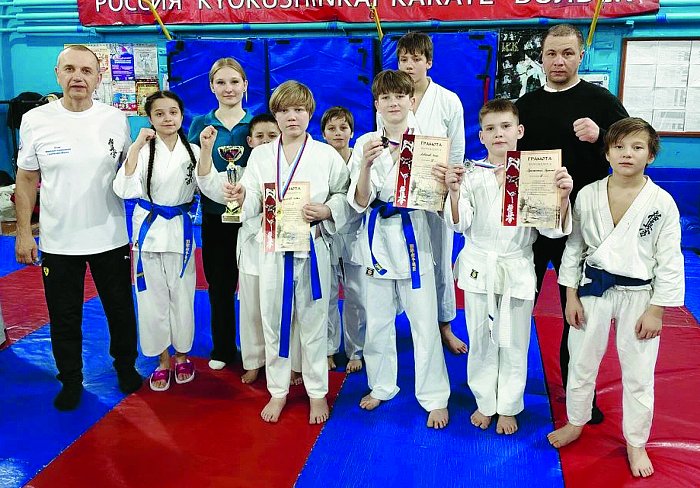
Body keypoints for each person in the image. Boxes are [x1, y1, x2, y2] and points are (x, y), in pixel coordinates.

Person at [547, 117, 684, 478]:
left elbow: (670, 260)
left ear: (650, 156)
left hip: (639, 295)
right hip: (592, 289)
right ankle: (576, 421)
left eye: (637, 147)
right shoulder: (588, 194)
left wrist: (657, 310)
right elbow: (574, 247)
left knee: (638, 373)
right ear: (606, 152)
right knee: (580, 362)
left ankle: (636, 442)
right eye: (619, 146)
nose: (627, 154)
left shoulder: (662, 202)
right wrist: (570, 294)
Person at [14, 45, 142, 410]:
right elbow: (26, 179)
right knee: (64, 316)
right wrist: (24, 232)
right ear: (57, 74)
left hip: (110, 235)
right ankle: (70, 379)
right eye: (70, 69)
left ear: (98, 78)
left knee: (120, 309)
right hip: (59, 240)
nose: (78, 77)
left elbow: (129, 171)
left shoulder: (115, 119)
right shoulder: (36, 120)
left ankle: (125, 367)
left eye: (86, 71)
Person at [515, 24, 629, 423]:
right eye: (551, 53)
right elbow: (505, 157)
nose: (559, 61)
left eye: (567, 53)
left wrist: (603, 137)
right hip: (531, 222)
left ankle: (579, 393)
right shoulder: (525, 105)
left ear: (581, 55)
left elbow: (634, 150)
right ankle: (505, 386)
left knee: (577, 311)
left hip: (581, 226)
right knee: (516, 302)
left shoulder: (601, 101)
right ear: (541, 58)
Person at [443, 99, 573, 434]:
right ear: (481, 136)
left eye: (505, 127)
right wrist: (454, 193)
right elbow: (459, 224)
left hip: (516, 266)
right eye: (490, 128)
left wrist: (561, 197)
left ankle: (509, 406)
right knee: (481, 339)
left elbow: (551, 231)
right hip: (479, 266)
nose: (498, 134)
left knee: (515, 342)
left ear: (520, 131)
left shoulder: (536, 174)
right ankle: (485, 402)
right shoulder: (470, 174)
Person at [226, 81, 350, 424]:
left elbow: (343, 194)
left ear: (309, 113)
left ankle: (316, 393)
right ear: (275, 116)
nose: (291, 116)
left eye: (298, 110)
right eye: (284, 111)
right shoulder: (261, 155)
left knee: (314, 323)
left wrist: (327, 210)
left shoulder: (326, 155)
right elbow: (253, 196)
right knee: (273, 321)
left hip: (312, 248)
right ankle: (278, 390)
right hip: (272, 247)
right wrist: (241, 197)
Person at [348, 69, 450, 429]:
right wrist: (364, 166)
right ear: (377, 104)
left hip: (414, 239)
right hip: (376, 240)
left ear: (411, 100)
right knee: (377, 323)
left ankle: (435, 396)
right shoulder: (366, 143)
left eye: (399, 96)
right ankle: (381, 385)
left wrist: (444, 184)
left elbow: (438, 202)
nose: (393, 103)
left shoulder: (429, 143)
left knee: (424, 324)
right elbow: (360, 201)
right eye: (385, 98)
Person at [113, 91, 200, 391]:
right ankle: (162, 359)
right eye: (159, 113)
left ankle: (182, 355)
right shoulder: (142, 150)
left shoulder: (194, 150)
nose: (167, 118)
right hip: (148, 233)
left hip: (179, 232)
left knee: (183, 297)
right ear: (149, 118)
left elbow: (207, 184)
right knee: (152, 300)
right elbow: (124, 189)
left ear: (181, 115)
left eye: (173, 112)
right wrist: (136, 145)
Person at [396, 32, 467, 355]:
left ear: (429, 62)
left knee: (439, 258)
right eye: (403, 59)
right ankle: (411, 322)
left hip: (437, 193)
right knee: (403, 259)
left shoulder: (448, 100)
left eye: (415, 59)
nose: (409, 66)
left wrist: (450, 189)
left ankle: (444, 325)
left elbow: (457, 150)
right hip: (401, 194)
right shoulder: (393, 99)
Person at [187, 57, 253, 371]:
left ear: (245, 85)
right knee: (220, 285)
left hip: (252, 217)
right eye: (221, 82)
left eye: (234, 82)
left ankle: (257, 350)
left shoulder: (256, 124)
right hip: (215, 216)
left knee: (255, 284)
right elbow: (192, 169)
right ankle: (223, 347)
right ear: (212, 87)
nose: (229, 88)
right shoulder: (200, 124)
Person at [321, 106, 366, 373]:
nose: (338, 133)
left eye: (343, 128)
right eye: (332, 128)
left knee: (356, 296)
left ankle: (356, 350)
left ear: (352, 132)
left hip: (356, 234)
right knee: (325, 295)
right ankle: (328, 348)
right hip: (326, 234)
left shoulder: (360, 161)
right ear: (323, 134)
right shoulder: (317, 159)